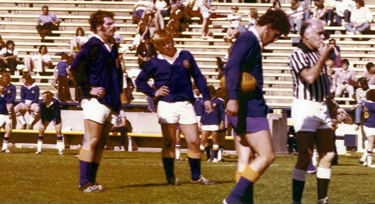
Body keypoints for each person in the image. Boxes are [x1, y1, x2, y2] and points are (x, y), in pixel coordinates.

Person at [222, 9, 290, 204]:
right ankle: (232, 201)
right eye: (276, 35)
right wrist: (233, 97)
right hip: (249, 108)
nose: (275, 40)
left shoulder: (248, 40)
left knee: (245, 158)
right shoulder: (248, 40)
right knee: (267, 156)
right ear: (268, 28)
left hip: (241, 109)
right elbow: (231, 66)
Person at [135, 30, 215, 186]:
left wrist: (206, 98)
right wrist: (153, 92)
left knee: (193, 140)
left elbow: (198, 76)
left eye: (170, 41)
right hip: (166, 105)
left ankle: (196, 176)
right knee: (168, 142)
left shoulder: (185, 55)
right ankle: (170, 178)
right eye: (164, 44)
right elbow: (140, 81)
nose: (168, 45)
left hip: (186, 104)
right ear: (157, 46)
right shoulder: (154, 62)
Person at [289, 19, 351, 204]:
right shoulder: (297, 53)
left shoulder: (318, 55)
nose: (323, 37)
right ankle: (296, 201)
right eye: (320, 33)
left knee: (328, 154)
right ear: (306, 34)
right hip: (305, 106)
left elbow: (322, 86)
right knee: (305, 155)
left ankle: (322, 199)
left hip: (322, 106)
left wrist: (334, 107)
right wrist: (323, 56)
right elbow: (309, 77)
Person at [70, 10, 123, 192]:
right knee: (92, 139)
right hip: (96, 101)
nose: (112, 26)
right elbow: (75, 67)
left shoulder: (112, 45)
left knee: (101, 143)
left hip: (111, 101)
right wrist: (88, 89)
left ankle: (92, 182)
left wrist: (119, 105)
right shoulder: (92, 44)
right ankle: (84, 182)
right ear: (98, 26)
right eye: (108, 24)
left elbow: (117, 75)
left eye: (112, 23)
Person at [199, 85, 224, 162]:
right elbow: (202, 112)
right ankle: (204, 157)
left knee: (214, 140)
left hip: (214, 123)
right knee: (203, 140)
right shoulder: (204, 101)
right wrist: (201, 121)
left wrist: (222, 122)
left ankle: (215, 158)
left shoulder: (218, 101)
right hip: (205, 123)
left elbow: (222, 113)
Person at [35, 91, 64, 155]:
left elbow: (57, 113)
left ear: (49, 98)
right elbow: (42, 113)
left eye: (44, 97)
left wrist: (56, 122)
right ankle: (38, 150)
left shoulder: (55, 102)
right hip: (46, 116)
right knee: (41, 130)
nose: (43, 98)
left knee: (58, 131)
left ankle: (60, 150)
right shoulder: (42, 103)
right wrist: (42, 123)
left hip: (55, 116)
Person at [360, 89, 375, 168]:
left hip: (369, 125)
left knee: (372, 144)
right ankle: (369, 163)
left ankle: (363, 158)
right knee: (371, 144)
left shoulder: (366, 103)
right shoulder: (371, 105)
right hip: (370, 126)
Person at [0, 78, 12, 153]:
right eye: (1, 85)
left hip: (6, 115)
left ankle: (4, 148)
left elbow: (8, 104)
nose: (2, 87)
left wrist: (9, 113)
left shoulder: (6, 94)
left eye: (3, 86)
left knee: (9, 130)